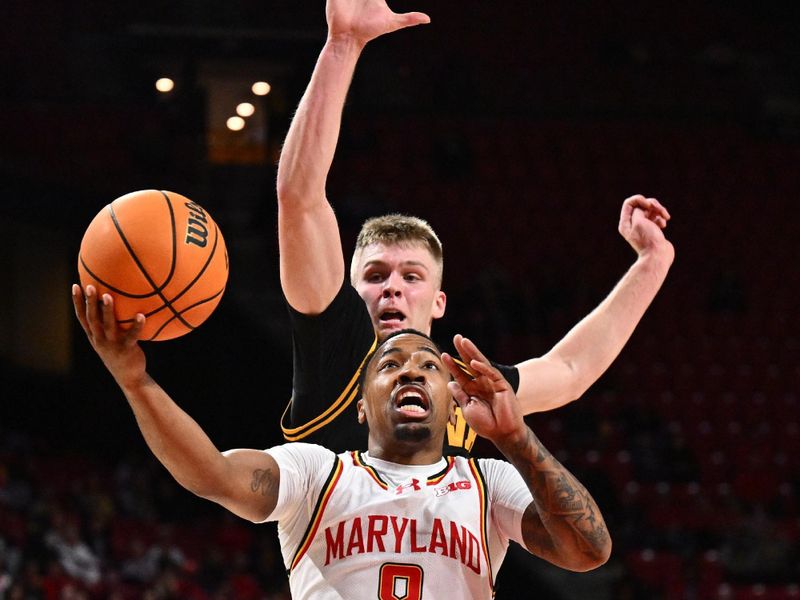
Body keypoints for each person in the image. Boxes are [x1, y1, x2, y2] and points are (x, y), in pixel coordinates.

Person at [276, 0, 675, 454]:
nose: (392, 289)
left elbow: (570, 371)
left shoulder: (464, 383)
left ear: (439, 301)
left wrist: (653, 261)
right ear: (347, 291)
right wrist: (342, 46)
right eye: (374, 276)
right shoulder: (333, 352)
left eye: (411, 276)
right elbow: (300, 199)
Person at [71, 286, 611, 598]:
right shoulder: (317, 474)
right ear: (360, 405)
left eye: (428, 366)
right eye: (391, 365)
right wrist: (135, 381)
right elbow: (213, 474)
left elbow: (589, 551)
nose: (410, 373)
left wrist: (516, 438)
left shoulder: (488, 484)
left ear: (452, 406)